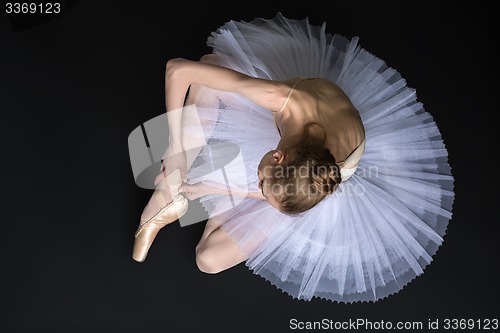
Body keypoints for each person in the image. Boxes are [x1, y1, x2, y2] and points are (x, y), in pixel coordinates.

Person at [132, 13, 455, 303]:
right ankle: (168, 190)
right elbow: (179, 69)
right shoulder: (282, 99)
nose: (255, 181)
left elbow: (268, 193)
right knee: (210, 69)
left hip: (301, 176)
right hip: (303, 114)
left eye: (261, 184)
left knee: (209, 261)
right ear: (276, 155)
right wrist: (173, 149)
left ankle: (177, 196)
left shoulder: (323, 177)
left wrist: (215, 190)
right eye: (261, 180)